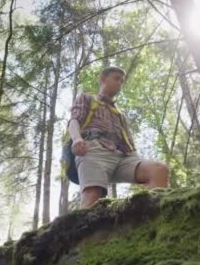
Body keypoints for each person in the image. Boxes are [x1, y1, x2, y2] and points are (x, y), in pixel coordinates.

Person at [68, 66, 169, 208]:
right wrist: (77, 139)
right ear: (102, 79)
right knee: (93, 195)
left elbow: (129, 142)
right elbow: (74, 121)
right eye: (116, 79)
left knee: (158, 170)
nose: (119, 84)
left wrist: (135, 158)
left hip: (124, 157)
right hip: (95, 150)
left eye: (122, 81)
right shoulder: (87, 98)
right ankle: (82, 230)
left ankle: (155, 221)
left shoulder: (120, 114)